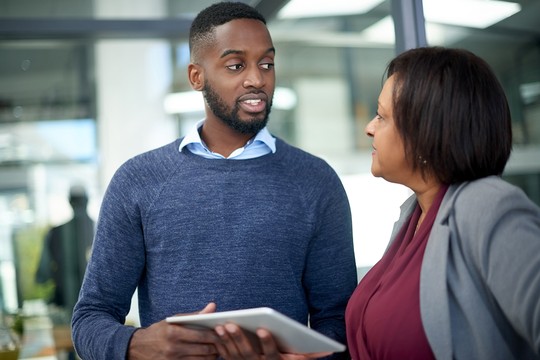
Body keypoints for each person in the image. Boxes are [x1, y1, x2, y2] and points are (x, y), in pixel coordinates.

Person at [71, 2, 357, 359]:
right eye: (236, 65)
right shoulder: (138, 181)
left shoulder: (316, 181)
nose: (257, 78)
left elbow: (341, 322)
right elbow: (89, 319)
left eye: (266, 63)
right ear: (196, 77)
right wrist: (140, 344)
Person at [345, 46, 540, 359]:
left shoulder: (487, 207)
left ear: (425, 132)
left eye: (382, 117)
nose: (369, 127)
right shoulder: (412, 217)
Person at [36, 184, 94, 316]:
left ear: (69, 202)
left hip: (70, 309)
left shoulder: (55, 233)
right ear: (87, 200)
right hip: (81, 310)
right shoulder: (100, 230)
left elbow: (42, 275)